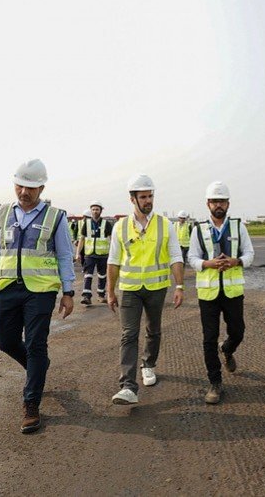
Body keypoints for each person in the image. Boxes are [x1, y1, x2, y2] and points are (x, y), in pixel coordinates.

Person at [0, 159, 75, 434]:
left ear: (41, 187)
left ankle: (31, 405)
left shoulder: (56, 217)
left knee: (36, 344)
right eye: (19, 186)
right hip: (6, 288)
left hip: (40, 291)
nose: (24, 192)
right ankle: (36, 369)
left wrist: (68, 291)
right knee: (4, 341)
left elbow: (65, 255)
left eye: (30, 187)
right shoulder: (0, 213)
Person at [106, 173, 184, 405]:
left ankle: (148, 364)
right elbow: (113, 260)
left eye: (150, 196)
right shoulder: (120, 226)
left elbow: (175, 256)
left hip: (157, 288)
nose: (148, 200)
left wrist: (179, 285)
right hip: (129, 289)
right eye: (143, 196)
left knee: (154, 330)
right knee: (128, 334)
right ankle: (128, 387)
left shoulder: (165, 225)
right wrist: (110, 291)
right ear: (133, 199)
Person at [188, 181, 255, 404]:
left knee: (238, 331)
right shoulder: (198, 229)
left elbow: (250, 254)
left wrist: (237, 261)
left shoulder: (238, 227)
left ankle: (227, 349)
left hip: (233, 291)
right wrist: (208, 264)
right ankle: (215, 383)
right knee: (209, 338)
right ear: (208, 203)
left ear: (228, 204)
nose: (219, 205)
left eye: (222, 201)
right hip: (208, 293)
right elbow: (192, 258)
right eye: (215, 201)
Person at [75, 201, 113, 305]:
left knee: (102, 275)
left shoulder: (106, 224)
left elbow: (111, 239)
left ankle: (101, 295)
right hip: (89, 254)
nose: (95, 211)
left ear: (101, 211)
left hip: (103, 255)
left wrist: (113, 254)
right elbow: (81, 239)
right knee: (88, 275)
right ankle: (86, 297)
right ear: (91, 211)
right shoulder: (86, 224)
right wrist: (78, 253)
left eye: (97, 209)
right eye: (93, 209)